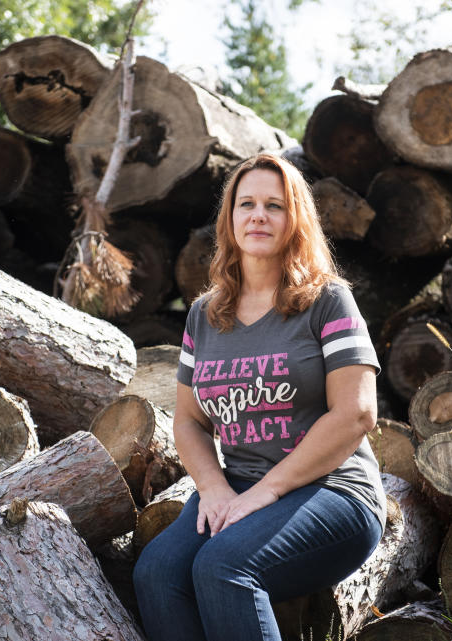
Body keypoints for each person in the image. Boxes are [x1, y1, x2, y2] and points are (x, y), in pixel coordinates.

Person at [132, 153, 387, 641]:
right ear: (229, 219)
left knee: (222, 568)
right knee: (157, 573)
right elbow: (188, 422)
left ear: (296, 220)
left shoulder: (327, 300)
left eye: (275, 205)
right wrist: (213, 488)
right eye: (246, 203)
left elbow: (357, 413)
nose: (258, 215)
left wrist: (266, 491)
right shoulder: (204, 315)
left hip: (332, 491)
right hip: (238, 487)